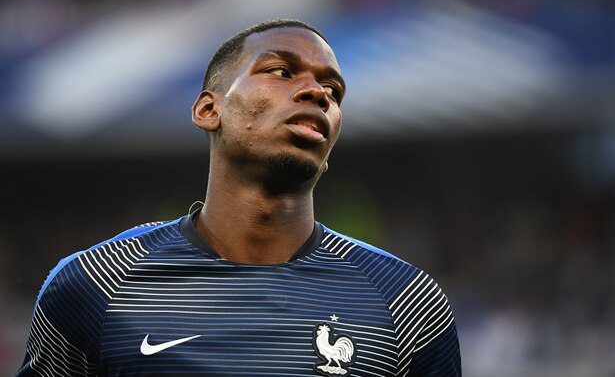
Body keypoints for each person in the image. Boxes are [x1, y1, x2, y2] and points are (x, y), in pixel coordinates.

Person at [17, 19, 461, 376]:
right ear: (209, 110)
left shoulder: (406, 302)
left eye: (333, 90)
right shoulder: (96, 285)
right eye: (281, 72)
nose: (316, 93)